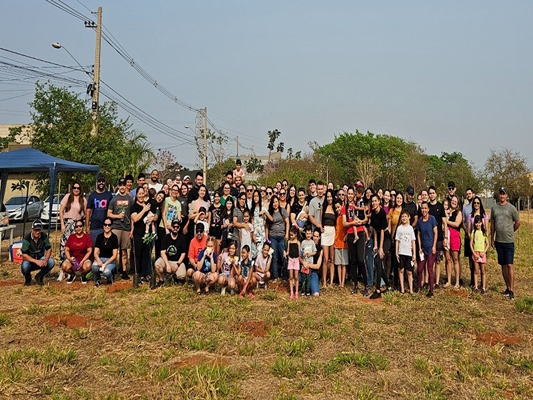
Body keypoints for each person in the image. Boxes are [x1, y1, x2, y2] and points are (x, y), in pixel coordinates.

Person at [490, 187, 520, 300]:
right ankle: (507, 287)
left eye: (504, 194)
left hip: (509, 241)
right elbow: (492, 224)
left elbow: (518, 222)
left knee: (509, 265)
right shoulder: (494, 208)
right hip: (499, 241)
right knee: (502, 265)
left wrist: (511, 230)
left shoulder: (511, 208)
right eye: (500, 194)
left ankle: (512, 290)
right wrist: (492, 238)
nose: (502, 196)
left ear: (506, 195)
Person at [107, 178, 134, 280]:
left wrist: (132, 229)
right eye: (120, 185)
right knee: (114, 251)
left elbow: (132, 215)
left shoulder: (129, 199)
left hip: (126, 228)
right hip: (116, 228)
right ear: (118, 186)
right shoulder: (114, 199)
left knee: (124, 251)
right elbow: (108, 213)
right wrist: (117, 216)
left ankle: (124, 271)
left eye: (124, 185)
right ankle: (112, 270)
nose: (122, 187)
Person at [130, 186, 155, 284]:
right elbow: (135, 218)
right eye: (139, 194)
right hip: (138, 234)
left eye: (142, 193)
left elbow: (154, 215)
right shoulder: (134, 207)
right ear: (136, 195)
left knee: (146, 254)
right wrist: (144, 210)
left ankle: (144, 274)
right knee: (138, 254)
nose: (141, 195)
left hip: (147, 234)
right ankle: (138, 274)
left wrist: (154, 217)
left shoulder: (148, 205)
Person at [59, 181, 87, 266]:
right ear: (72, 189)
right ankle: (62, 268)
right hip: (67, 223)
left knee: (74, 247)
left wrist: (80, 220)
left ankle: (73, 267)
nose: (76, 189)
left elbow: (86, 214)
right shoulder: (67, 197)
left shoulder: (83, 200)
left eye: (78, 188)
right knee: (64, 246)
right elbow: (61, 211)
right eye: (74, 188)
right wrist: (62, 225)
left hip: (77, 225)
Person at [369, 194, 392, 299]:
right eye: (372, 201)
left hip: (386, 238)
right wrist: (376, 245)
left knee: (378, 260)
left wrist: (381, 247)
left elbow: (382, 231)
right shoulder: (373, 212)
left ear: (379, 202)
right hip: (378, 236)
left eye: (375, 201)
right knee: (378, 262)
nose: (373, 203)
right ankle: (389, 286)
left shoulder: (382, 212)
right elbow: (375, 231)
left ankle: (378, 289)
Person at [154, 219, 188, 287]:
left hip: (177, 261)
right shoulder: (166, 237)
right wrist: (167, 264)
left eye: (177, 227)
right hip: (167, 260)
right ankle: (161, 280)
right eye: (174, 226)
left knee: (182, 276)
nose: (175, 228)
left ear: (179, 228)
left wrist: (178, 264)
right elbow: (162, 252)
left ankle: (174, 276)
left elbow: (183, 254)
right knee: (157, 264)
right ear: (171, 227)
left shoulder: (182, 238)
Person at [21, 219, 55, 286]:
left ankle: (39, 276)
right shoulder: (26, 239)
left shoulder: (44, 236)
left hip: (40, 259)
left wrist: (45, 260)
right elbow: (24, 255)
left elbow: (49, 249)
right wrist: (36, 261)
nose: (37, 232)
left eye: (39, 230)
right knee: (24, 266)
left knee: (51, 262)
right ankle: (28, 278)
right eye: (35, 230)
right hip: (30, 261)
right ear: (32, 229)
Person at [265, 194, 289, 281]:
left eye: (276, 201)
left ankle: (286, 276)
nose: (275, 204)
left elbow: (287, 222)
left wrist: (286, 234)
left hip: (281, 237)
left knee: (284, 256)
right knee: (274, 257)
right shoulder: (270, 213)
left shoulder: (283, 211)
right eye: (273, 202)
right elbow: (267, 226)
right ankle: (275, 276)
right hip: (273, 237)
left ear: (278, 202)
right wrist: (266, 237)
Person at [427, 186, 447, 288]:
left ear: (436, 194)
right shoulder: (427, 207)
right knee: (429, 260)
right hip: (428, 238)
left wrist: (445, 237)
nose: (431, 195)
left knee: (438, 261)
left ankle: (437, 282)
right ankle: (427, 281)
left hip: (439, 238)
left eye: (433, 193)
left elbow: (445, 223)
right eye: (430, 193)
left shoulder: (440, 206)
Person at [416, 202, 437, 297]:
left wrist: (434, 246)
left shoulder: (432, 219)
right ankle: (418, 286)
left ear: (428, 209)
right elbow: (418, 235)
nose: (424, 210)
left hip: (431, 248)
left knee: (430, 269)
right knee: (420, 268)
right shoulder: (419, 221)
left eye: (425, 208)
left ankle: (431, 289)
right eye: (422, 208)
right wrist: (420, 247)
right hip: (423, 249)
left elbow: (435, 233)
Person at [86, 174, 113, 246]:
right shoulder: (92, 195)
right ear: (97, 182)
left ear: (105, 182)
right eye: (99, 181)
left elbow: (112, 210)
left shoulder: (109, 195)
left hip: (106, 226)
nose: (101, 183)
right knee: (93, 248)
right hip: (94, 227)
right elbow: (88, 211)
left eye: (103, 181)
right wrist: (87, 226)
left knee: (105, 248)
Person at [91, 217, 118, 287]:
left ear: (111, 226)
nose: (107, 226)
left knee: (106, 272)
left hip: (110, 260)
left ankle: (110, 278)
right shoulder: (99, 237)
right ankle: (97, 280)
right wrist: (98, 260)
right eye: (105, 224)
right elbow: (95, 252)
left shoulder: (114, 237)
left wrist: (105, 264)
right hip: (101, 258)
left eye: (109, 225)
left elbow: (114, 255)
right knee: (94, 267)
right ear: (103, 226)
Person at [395, 210, 416, 294]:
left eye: (405, 216)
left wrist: (414, 253)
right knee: (401, 270)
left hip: (409, 253)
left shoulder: (410, 228)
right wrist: (396, 252)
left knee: (409, 272)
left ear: (409, 217)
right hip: (401, 252)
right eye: (402, 216)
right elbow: (397, 241)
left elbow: (413, 241)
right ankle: (402, 288)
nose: (403, 218)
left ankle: (411, 289)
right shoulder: (399, 228)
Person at [446, 195, 463, 289]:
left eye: (455, 201)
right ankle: (448, 280)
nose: (453, 202)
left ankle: (457, 281)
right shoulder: (447, 210)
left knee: (455, 259)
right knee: (448, 260)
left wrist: (446, 221)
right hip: (446, 236)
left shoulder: (458, 212)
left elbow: (457, 224)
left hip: (455, 237)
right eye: (452, 200)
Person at [320, 189, 336, 286]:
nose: (329, 198)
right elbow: (320, 220)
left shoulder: (335, 207)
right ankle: (324, 281)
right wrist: (321, 227)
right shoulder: (323, 207)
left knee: (332, 259)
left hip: (333, 233)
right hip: (325, 233)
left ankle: (331, 282)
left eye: (331, 196)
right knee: (325, 259)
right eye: (328, 196)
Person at [470, 215, 489, 293]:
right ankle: (476, 286)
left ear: (481, 223)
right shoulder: (473, 232)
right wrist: (474, 253)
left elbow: (487, 244)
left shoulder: (483, 232)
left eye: (479, 223)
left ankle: (483, 287)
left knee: (483, 270)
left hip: (482, 254)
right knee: (476, 270)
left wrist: (484, 252)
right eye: (476, 223)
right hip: (476, 254)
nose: (478, 224)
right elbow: (471, 244)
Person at [333, 198, 348, 288]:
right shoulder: (337, 217)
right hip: (337, 242)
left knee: (344, 263)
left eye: (339, 207)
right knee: (338, 263)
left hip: (344, 243)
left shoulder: (344, 217)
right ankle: (339, 282)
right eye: (336, 208)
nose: (338, 209)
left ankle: (343, 282)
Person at [462, 188, 475, 288]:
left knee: (477, 259)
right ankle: (472, 279)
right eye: (467, 194)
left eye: (470, 193)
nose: (468, 195)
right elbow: (462, 220)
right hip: (467, 237)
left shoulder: (477, 206)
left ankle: (476, 280)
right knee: (470, 259)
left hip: (477, 238)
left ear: (473, 194)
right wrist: (465, 228)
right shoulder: (465, 208)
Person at [300, 226, 317, 297]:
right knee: (303, 278)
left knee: (308, 278)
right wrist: (303, 254)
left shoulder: (312, 242)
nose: (308, 235)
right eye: (307, 234)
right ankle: (303, 291)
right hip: (304, 263)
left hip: (309, 263)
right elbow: (300, 252)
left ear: (311, 234)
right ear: (305, 234)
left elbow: (315, 251)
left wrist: (311, 254)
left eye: (310, 234)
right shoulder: (303, 242)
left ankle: (308, 291)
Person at [286, 226, 301, 299]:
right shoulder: (289, 242)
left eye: (292, 235)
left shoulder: (298, 242)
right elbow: (288, 251)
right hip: (290, 260)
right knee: (291, 276)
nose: (291, 236)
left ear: (295, 234)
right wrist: (285, 253)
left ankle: (296, 292)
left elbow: (299, 252)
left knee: (296, 277)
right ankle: (291, 292)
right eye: (290, 235)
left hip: (296, 260)